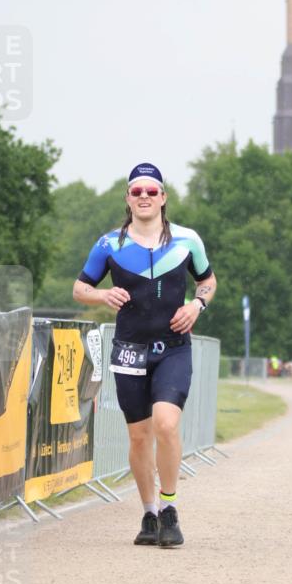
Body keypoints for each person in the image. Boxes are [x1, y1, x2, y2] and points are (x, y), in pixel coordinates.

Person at [73, 163, 217, 545]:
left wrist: (197, 307)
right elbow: (79, 288)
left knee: (166, 424)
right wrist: (102, 294)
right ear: (127, 198)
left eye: (151, 191)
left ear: (164, 198)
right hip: (130, 350)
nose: (144, 197)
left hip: (173, 349)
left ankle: (170, 509)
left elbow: (207, 281)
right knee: (138, 437)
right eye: (137, 192)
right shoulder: (109, 244)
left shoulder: (187, 240)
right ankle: (149, 513)